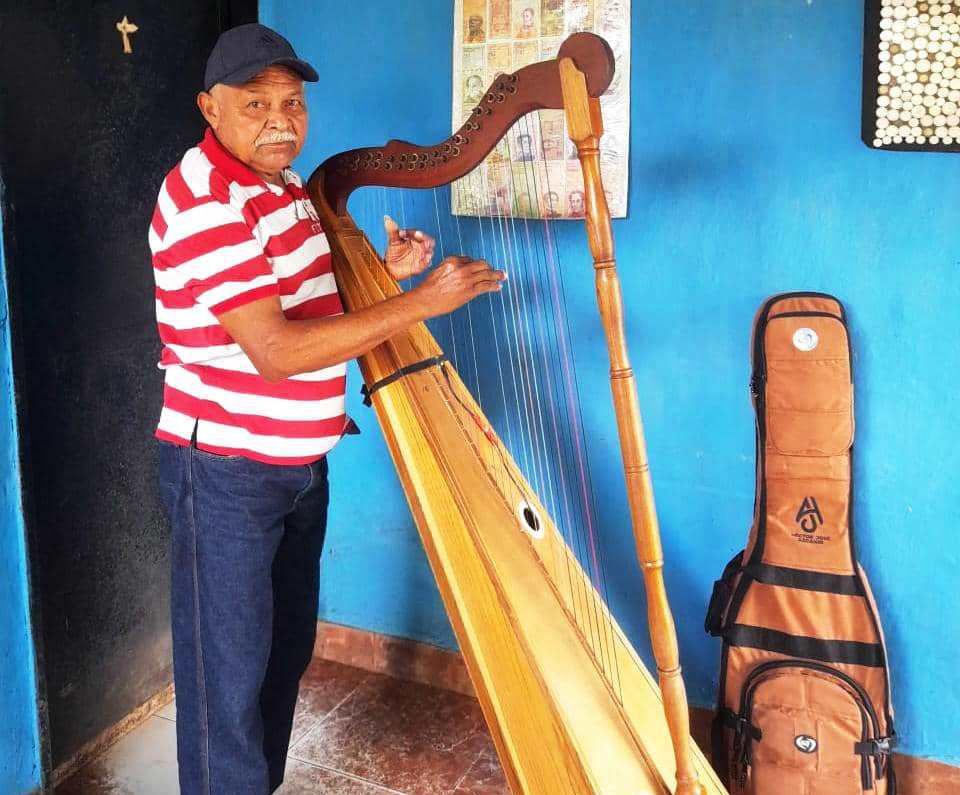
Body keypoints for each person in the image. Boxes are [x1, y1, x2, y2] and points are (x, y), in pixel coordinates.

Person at [149, 23, 504, 795]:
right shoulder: (206, 200)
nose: (280, 121)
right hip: (226, 474)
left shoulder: (279, 185)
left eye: (293, 103)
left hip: (298, 466)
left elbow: (306, 306)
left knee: (281, 657)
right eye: (256, 104)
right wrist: (422, 303)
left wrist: (388, 272)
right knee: (226, 684)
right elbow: (276, 349)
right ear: (210, 108)